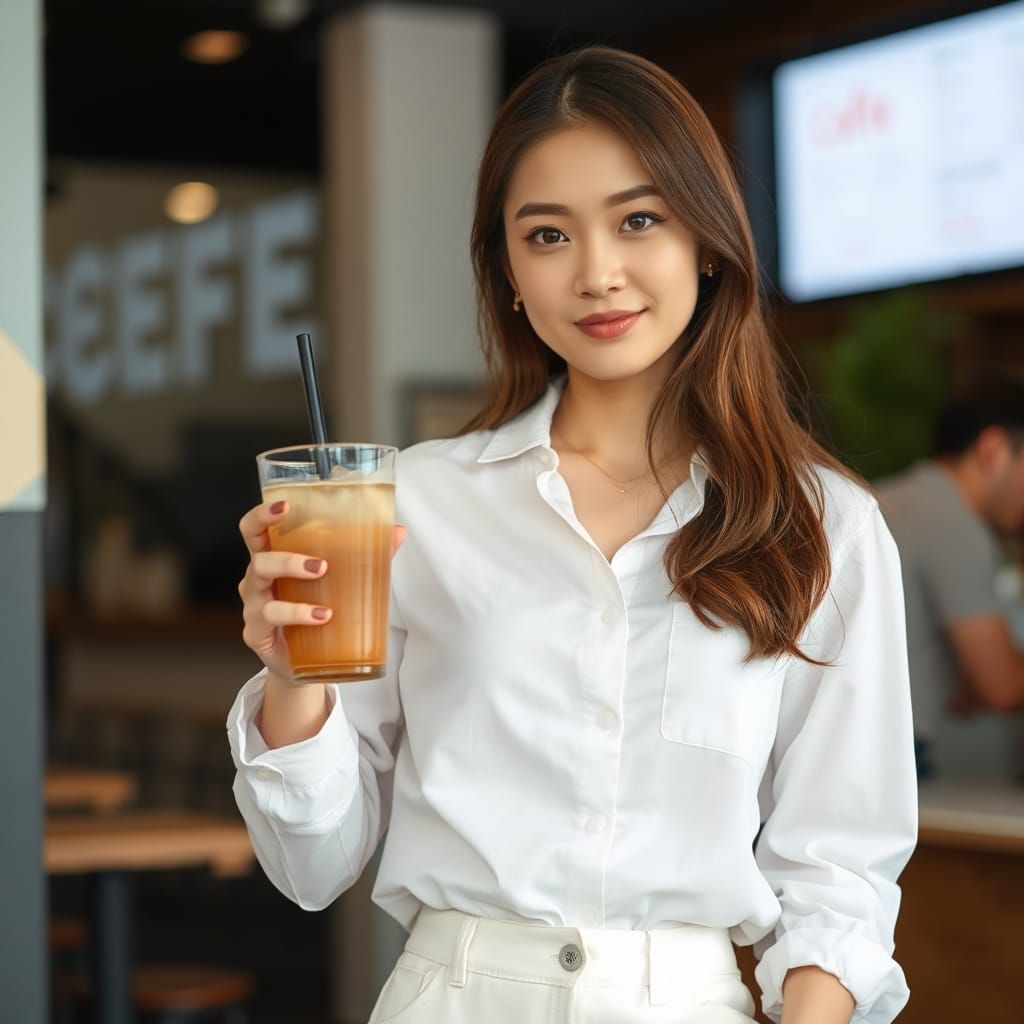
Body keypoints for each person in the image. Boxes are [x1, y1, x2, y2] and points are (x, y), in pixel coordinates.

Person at [229, 46, 916, 1024]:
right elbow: (311, 861)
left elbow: (840, 871)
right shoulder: (414, 501)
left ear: (707, 243)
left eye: (639, 220)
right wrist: (293, 673)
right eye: (546, 235)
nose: (598, 273)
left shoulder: (822, 525)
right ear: (506, 271)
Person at [874, 378, 1024, 779]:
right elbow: (1001, 688)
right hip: (884, 757)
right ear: (993, 450)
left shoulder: (887, 498)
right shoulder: (954, 524)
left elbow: (968, 691)